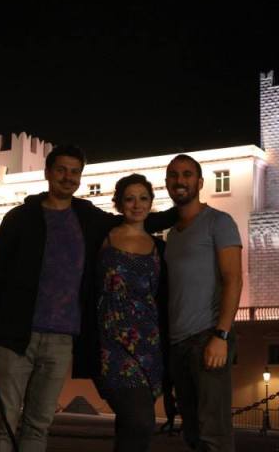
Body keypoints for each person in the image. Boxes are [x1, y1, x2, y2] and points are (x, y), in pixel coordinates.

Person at [0, 145, 176, 452]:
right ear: (47, 173)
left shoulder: (87, 218)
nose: (68, 178)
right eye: (61, 170)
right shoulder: (19, 218)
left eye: (75, 172)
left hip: (62, 340)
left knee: (38, 425)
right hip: (14, 335)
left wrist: (186, 210)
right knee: (3, 423)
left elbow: (134, 220)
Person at [163, 154, 243, 452]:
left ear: (199, 182)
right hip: (179, 343)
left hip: (208, 337)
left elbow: (234, 279)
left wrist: (221, 335)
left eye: (186, 174)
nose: (179, 181)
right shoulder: (172, 235)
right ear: (167, 183)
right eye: (173, 175)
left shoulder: (219, 222)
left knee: (214, 433)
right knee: (193, 434)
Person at [94, 174, 168, 452]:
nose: (137, 204)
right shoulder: (104, 238)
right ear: (118, 203)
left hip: (149, 343)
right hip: (111, 342)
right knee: (141, 421)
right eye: (129, 198)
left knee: (131, 424)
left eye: (143, 198)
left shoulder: (159, 246)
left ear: (151, 203)